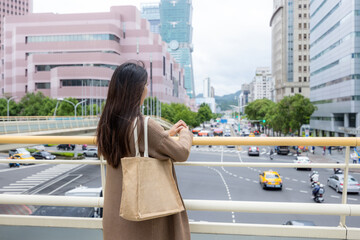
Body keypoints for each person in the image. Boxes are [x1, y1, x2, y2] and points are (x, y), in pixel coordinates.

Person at [97, 61, 193, 240]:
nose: (147, 89)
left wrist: (165, 134)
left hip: (116, 219)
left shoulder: (107, 123)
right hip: (144, 220)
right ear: (137, 90)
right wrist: (186, 134)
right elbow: (181, 153)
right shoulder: (144, 124)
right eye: (146, 85)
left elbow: (137, 144)